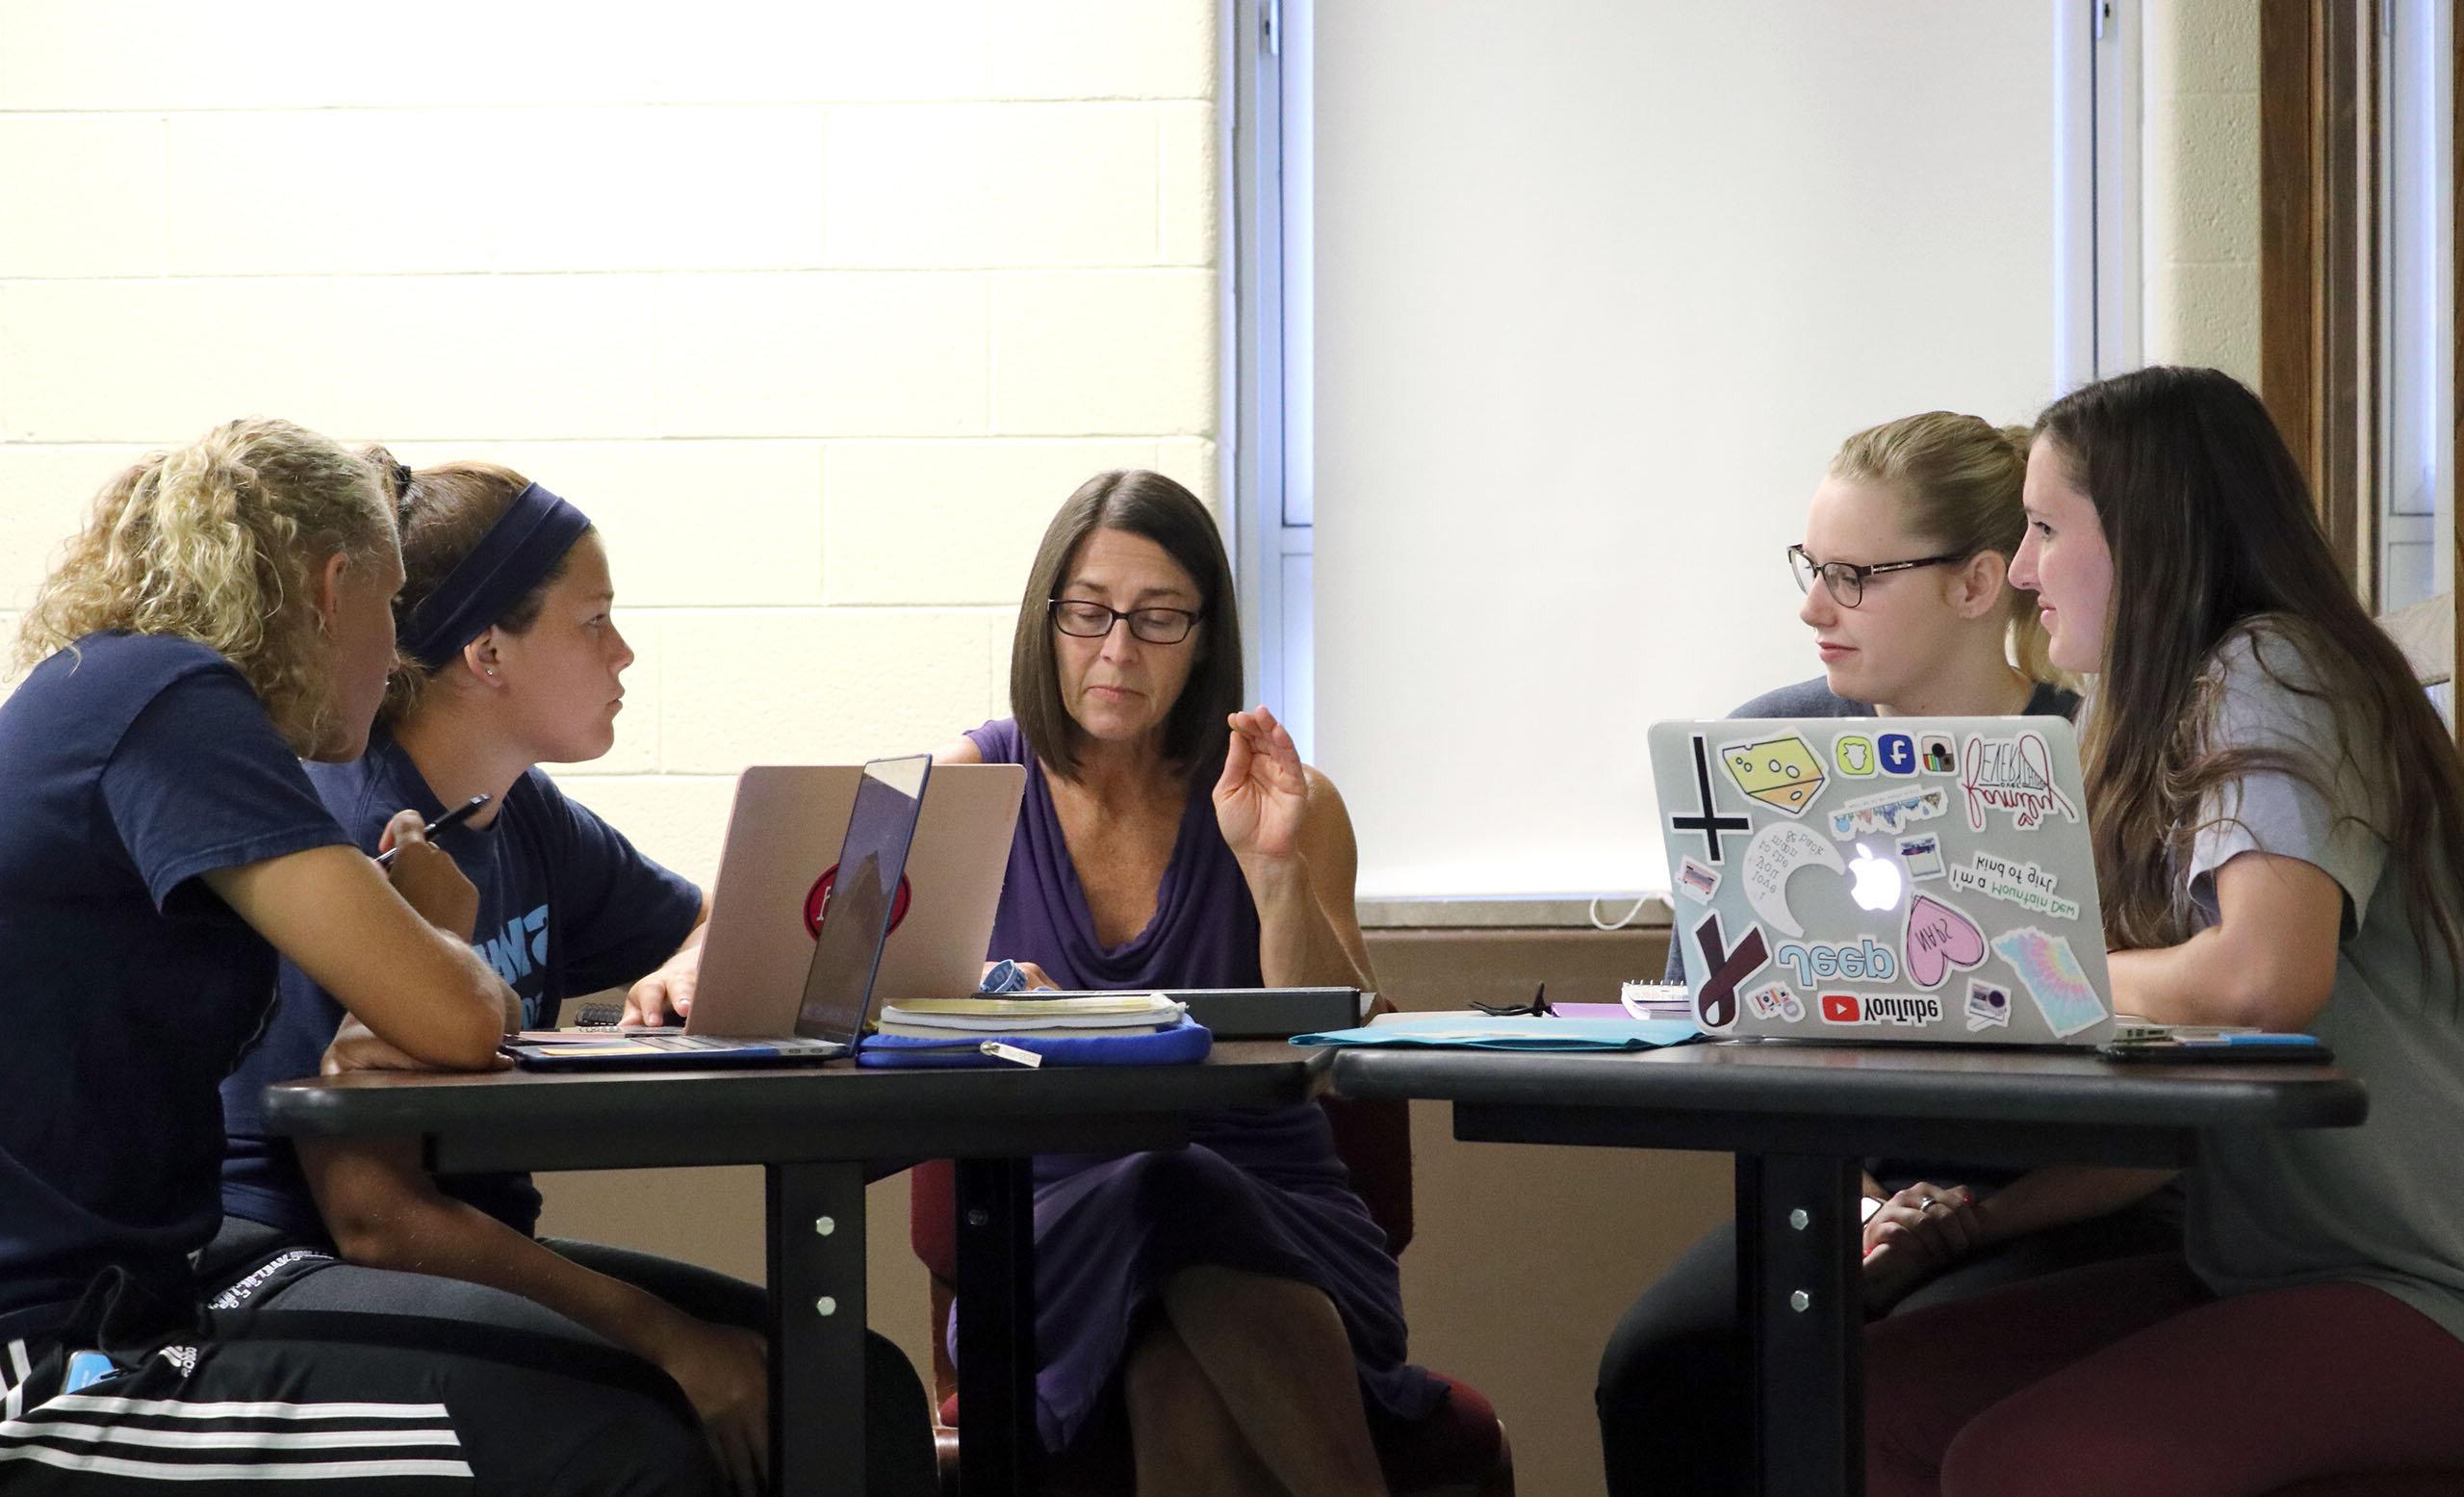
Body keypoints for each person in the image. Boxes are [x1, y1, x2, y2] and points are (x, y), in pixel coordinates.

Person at [0, 419, 720, 1494]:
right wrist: (435, 922)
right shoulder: (174, 702)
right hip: (60, 1357)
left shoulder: (136, 693)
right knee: (615, 1433)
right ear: (333, 586)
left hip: (155, 1282)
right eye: (391, 610)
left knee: (788, 1366)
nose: (395, 658)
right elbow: (461, 1017)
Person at [208, 455, 937, 1497]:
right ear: (488, 652)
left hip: (457, 1245)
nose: (624, 651)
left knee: (859, 1388)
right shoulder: (350, 831)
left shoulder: (525, 811)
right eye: (593, 620)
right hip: (294, 1260)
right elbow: (374, 1213)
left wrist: (689, 963)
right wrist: (668, 1337)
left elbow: (710, 919)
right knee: (650, 1426)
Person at [1863, 366, 2464, 1493]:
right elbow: (2173, 1112)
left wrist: (2012, 958)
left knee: (2021, 1463)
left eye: (2044, 527)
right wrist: (1967, 1228)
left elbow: (2258, 982)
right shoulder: (2154, 710)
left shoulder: (2274, 670)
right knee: (1875, 1401)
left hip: (2422, 1284)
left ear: (2149, 531)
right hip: (2272, 1268)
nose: (2024, 568)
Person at [1599, 411, 2177, 1496]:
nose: (1812, 607)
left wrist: (1962, 1224)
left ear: (1977, 583)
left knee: (1886, 1373)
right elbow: (1719, 1014)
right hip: (1836, 1187)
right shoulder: (1766, 751)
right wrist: (1869, 1197)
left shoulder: (2101, 765)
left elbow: (2169, 1069)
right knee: (1662, 1365)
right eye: (1811, 568)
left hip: (2067, 1202)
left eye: (1855, 576)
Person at [932, 469, 1439, 1497]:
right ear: (1047, 622)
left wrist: (1276, 872)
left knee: (1180, 1366)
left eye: (1159, 619)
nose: (1117, 650)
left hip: (1280, 1207)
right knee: (1165, 1186)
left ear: (1206, 636)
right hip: (1047, 1226)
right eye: (1088, 614)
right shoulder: (969, 791)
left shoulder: (1287, 797)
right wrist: (980, 992)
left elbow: (1342, 1059)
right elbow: (864, 996)